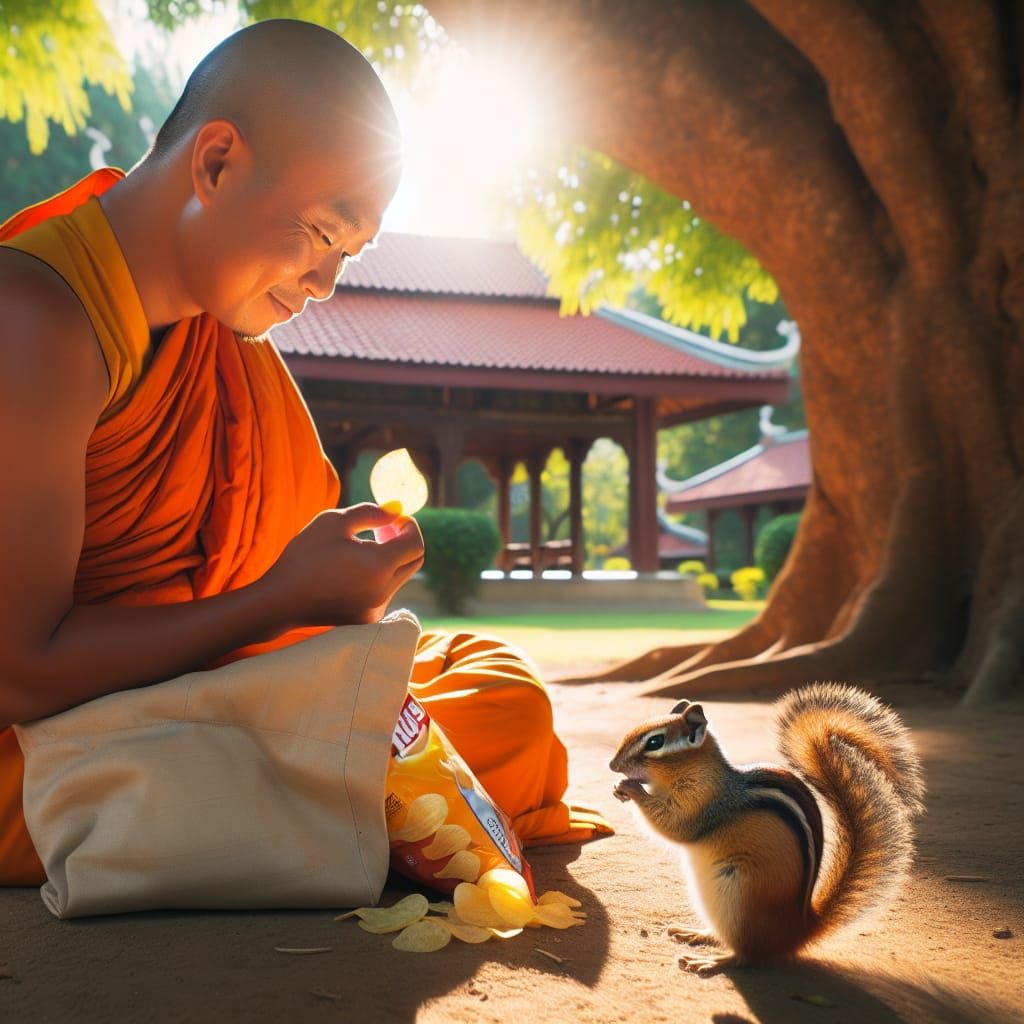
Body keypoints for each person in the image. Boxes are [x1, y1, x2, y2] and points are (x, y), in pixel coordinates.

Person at [0, 19, 607, 887]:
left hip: (190, 692)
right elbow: (17, 676)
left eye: (347, 256)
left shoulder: (217, 334)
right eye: (325, 232)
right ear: (216, 164)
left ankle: (317, 797)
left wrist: (314, 604)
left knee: (501, 691)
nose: (325, 285)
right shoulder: (36, 319)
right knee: (448, 748)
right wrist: (280, 600)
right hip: (44, 745)